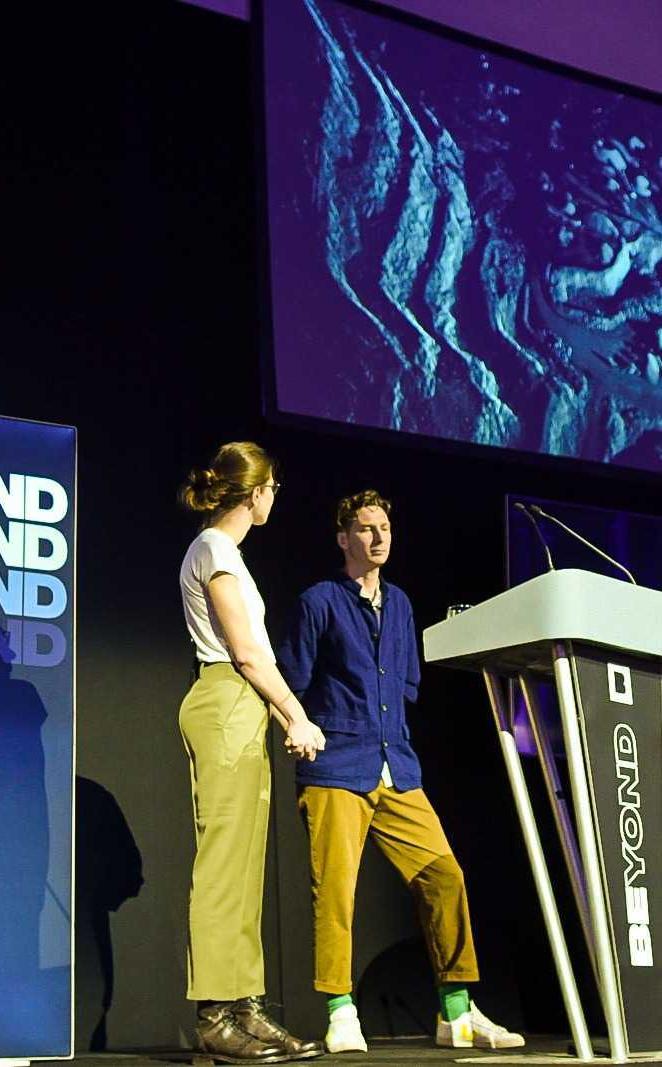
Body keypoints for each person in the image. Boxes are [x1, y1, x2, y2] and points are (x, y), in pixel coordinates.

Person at [276, 490, 526, 1053]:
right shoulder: (320, 600)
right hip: (337, 764)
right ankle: (341, 1011)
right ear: (344, 539)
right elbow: (289, 677)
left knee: (445, 876)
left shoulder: (404, 605)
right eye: (365, 529)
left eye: (384, 527)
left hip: (396, 765)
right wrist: (297, 726)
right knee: (336, 893)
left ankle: (456, 1013)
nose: (378, 538)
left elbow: (405, 685)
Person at [176, 442, 328, 1064]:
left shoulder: (226, 552)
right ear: (256, 492)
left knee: (245, 868)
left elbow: (253, 662)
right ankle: (214, 1013)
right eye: (273, 489)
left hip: (242, 705)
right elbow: (244, 652)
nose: (274, 499)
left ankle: (244, 1005)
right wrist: (296, 713)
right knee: (222, 864)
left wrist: (277, 712)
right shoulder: (213, 549)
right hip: (224, 699)